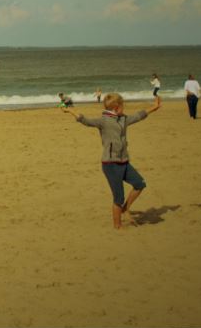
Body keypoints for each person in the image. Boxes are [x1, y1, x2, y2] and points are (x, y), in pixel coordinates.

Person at [62, 92, 162, 229]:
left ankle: (125, 209)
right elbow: (85, 120)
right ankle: (118, 226)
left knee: (140, 184)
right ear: (116, 108)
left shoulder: (123, 119)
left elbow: (139, 116)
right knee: (118, 198)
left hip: (124, 162)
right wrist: (70, 111)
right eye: (122, 106)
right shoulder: (103, 121)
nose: (124, 108)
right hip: (111, 164)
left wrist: (154, 107)